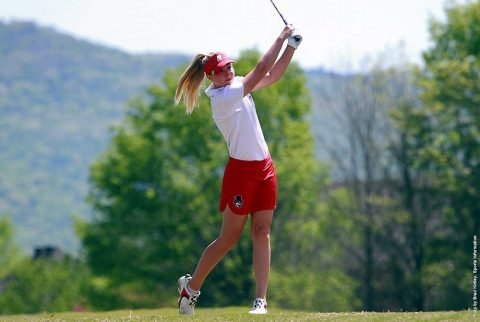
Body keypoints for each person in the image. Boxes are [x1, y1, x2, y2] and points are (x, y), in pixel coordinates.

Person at [173, 25, 302, 315]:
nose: (228, 72)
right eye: (222, 70)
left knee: (262, 230)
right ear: (211, 77)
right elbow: (260, 68)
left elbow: (272, 75)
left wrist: (291, 46)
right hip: (241, 174)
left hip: (265, 168)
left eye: (229, 67)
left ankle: (261, 299)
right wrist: (280, 38)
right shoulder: (222, 99)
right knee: (229, 238)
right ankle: (191, 288)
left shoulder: (235, 85)